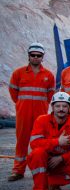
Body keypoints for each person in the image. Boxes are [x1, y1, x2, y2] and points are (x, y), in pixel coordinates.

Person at [8, 42, 55, 181]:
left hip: (41, 114)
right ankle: (18, 170)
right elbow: (13, 91)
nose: (35, 57)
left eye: (38, 55)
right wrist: (21, 104)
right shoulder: (18, 73)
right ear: (29, 56)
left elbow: (50, 95)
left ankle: (43, 169)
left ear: (42, 57)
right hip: (23, 112)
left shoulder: (48, 75)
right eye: (33, 55)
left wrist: (43, 105)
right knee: (21, 141)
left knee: (42, 142)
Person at [27, 92, 70, 190]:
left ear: (69, 108)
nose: (61, 109)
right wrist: (57, 142)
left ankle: (52, 183)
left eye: (64, 106)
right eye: (58, 106)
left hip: (60, 163)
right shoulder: (41, 120)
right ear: (52, 107)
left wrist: (61, 158)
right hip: (43, 161)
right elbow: (34, 143)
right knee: (37, 153)